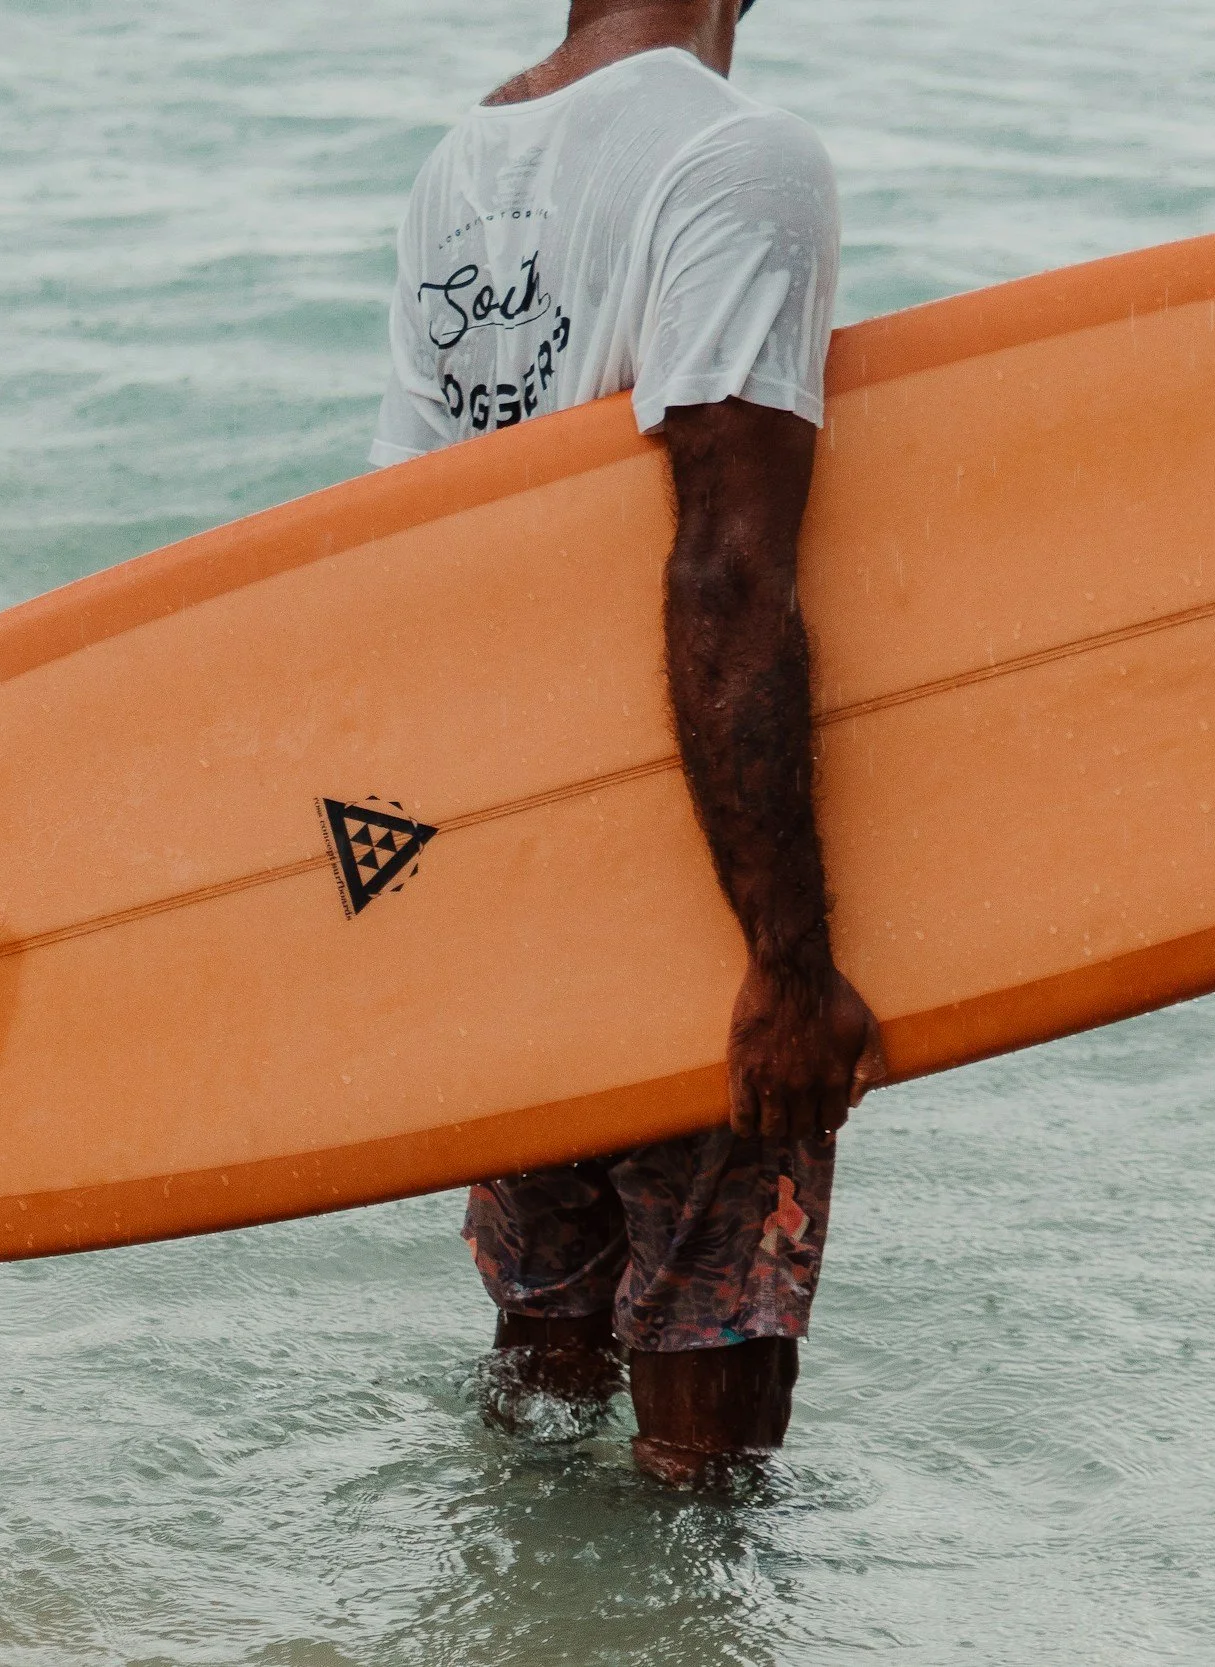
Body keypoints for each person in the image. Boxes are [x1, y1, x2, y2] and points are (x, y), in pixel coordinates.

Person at [369, 0, 887, 1486]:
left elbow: (403, 573)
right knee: (705, 1466)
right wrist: (787, 964)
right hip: (698, 886)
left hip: (510, 870)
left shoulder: (460, 169)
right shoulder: (743, 160)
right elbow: (726, 569)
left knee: (539, 1382)